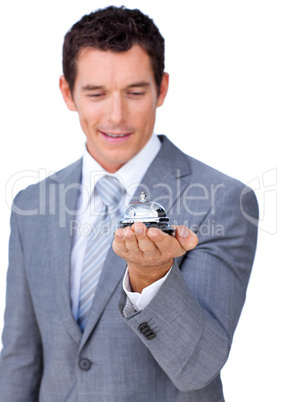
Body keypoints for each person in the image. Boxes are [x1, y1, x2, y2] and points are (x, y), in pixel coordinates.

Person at [0, 6, 258, 402]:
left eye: (135, 92)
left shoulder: (223, 200)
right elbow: (20, 360)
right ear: (68, 93)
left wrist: (152, 277)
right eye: (96, 93)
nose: (116, 116)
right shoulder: (31, 205)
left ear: (162, 88)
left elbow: (200, 367)